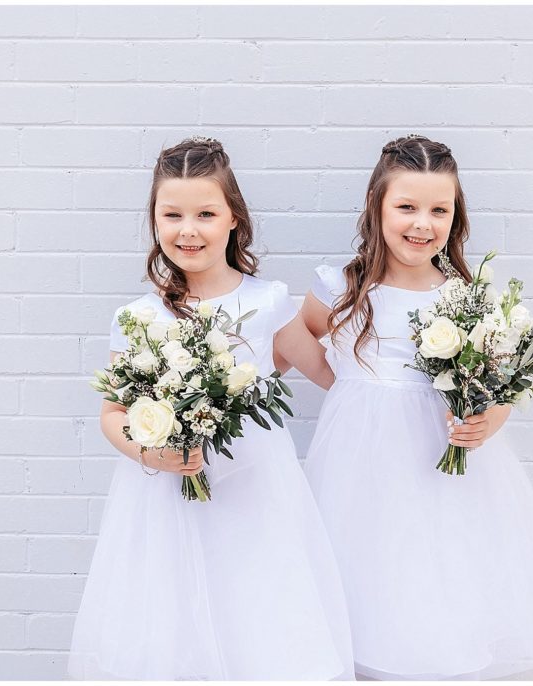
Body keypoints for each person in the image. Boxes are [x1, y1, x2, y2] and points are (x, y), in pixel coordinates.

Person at [277, 134, 533, 680]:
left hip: (444, 473)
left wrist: (488, 420)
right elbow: (291, 342)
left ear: (456, 217)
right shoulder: (343, 288)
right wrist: (351, 386)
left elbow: (499, 389)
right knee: (364, 584)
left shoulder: (466, 297)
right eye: (406, 207)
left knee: (440, 588)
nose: (421, 223)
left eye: (438, 210)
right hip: (359, 472)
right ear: (377, 208)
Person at [68, 137, 354, 680]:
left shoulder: (268, 301)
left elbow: (333, 376)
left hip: (255, 493)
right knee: (176, 628)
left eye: (205, 213)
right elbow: (112, 414)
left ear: (233, 219)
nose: (188, 229)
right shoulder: (138, 317)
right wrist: (152, 454)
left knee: (257, 620)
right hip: (167, 499)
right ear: (154, 222)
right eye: (171, 215)